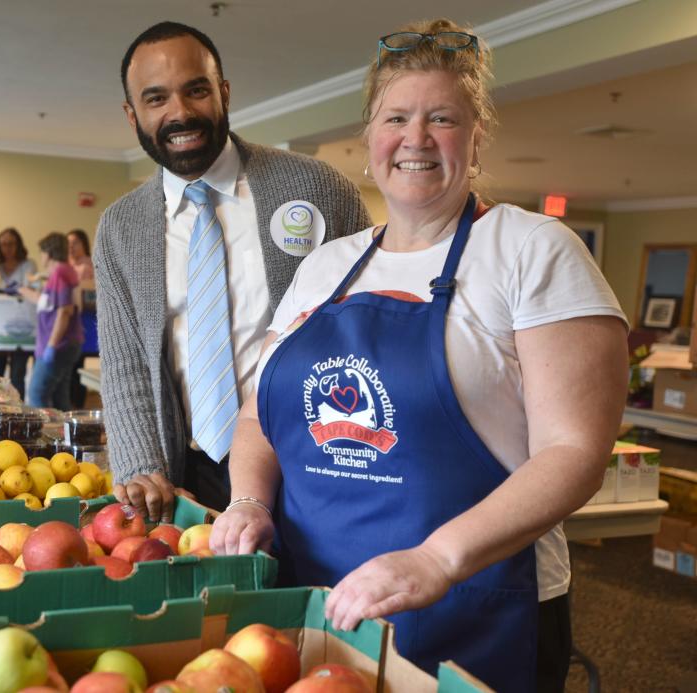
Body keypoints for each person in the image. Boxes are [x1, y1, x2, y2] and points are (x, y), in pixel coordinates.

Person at [209, 18, 628, 693]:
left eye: (442, 118)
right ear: (370, 136)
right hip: (318, 602)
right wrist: (250, 499)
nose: (416, 138)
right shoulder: (324, 269)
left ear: (477, 135)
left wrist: (438, 557)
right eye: (396, 117)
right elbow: (260, 416)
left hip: (474, 610)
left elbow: (574, 452)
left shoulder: (532, 251)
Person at [95, 21, 371, 520]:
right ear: (131, 113)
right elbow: (125, 364)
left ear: (223, 92)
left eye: (196, 90)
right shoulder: (119, 227)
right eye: (156, 99)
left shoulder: (318, 190)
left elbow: (365, 330)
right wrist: (141, 467)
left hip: (309, 466)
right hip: (183, 482)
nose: (180, 113)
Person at [21, 232, 82, 410]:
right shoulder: (66, 271)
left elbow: (64, 311)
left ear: (48, 253)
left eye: (42, 252)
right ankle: (66, 437)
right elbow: (50, 304)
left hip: (59, 345)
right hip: (68, 343)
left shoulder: (60, 274)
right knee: (60, 398)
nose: (41, 257)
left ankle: (42, 436)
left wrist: (51, 345)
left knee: (36, 393)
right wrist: (24, 291)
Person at [0, 227, 37, 399]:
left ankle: (17, 413)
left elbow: (32, 292)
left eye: (11, 244)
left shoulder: (29, 265)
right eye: (3, 244)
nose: (7, 248)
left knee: (18, 374)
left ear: (19, 245)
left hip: (22, 328)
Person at [66, 229, 97, 408]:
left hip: (84, 322)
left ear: (84, 244)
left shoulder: (89, 266)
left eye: (75, 242)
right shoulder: (65, 266)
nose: (71, 247)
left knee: (77, 365)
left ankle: (77, 406)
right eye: (68, 243)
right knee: (68, 368)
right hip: (67, 322)